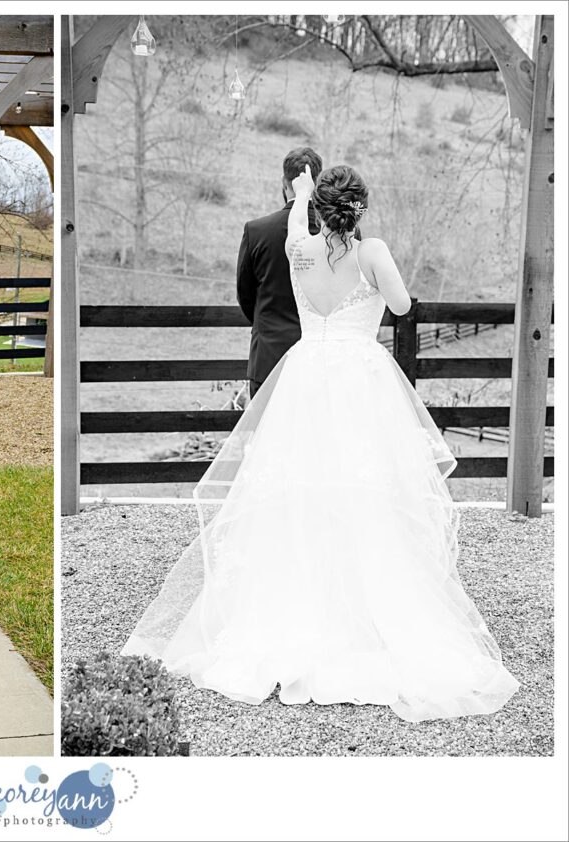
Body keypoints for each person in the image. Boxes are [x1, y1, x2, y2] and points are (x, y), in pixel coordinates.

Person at [123, 165, 519, 722]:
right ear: (360, 209)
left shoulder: (300, 251)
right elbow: (401, 306)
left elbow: (293, 231)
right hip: (360, 383)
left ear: (318, 208)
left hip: (305, 379)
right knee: (366, 491)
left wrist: (303, 194)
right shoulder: (372, 252)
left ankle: (297, 605)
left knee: (300, 489)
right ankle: (365, 608)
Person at [236, 147, 322, 397]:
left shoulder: (257, 231)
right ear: (315, 184)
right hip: (320, 360)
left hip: (269, 356)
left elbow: (245, 295)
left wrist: (267, 323)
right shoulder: (339, 233)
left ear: (284, 182)